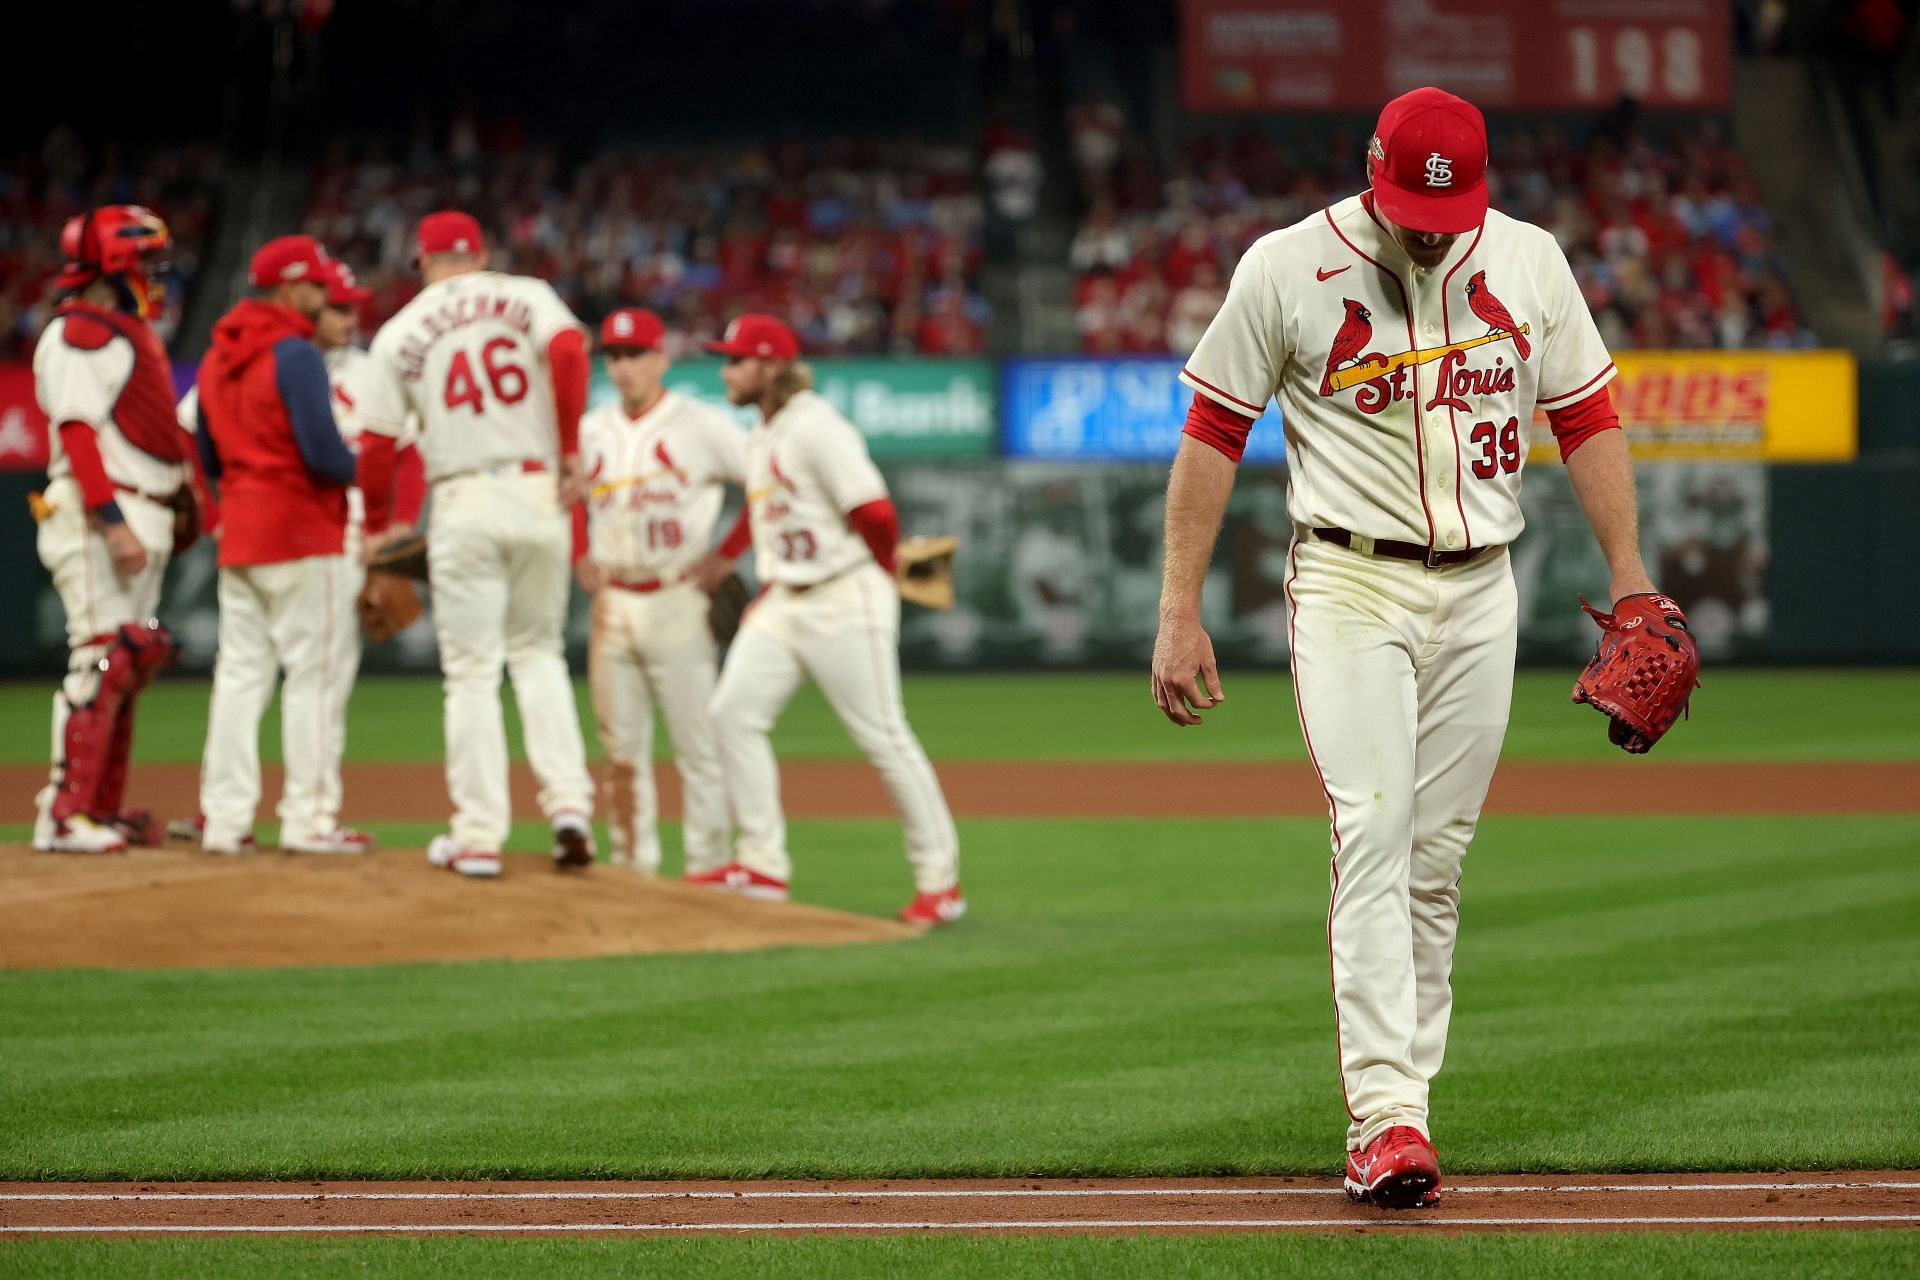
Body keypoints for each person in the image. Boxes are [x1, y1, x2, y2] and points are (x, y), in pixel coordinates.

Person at [1151, 88, 1680, 1207]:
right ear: (1371, 170)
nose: (1432, 229)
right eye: (1411, 207)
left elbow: (1585, 415)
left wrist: (1630, 573)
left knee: (1436, 862)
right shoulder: (1287, 267)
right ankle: (1380, 1118)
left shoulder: (1530, 260)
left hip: (1483, 587)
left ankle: (1410, 1114)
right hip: (1348, 578)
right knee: (1376, 823)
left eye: (1451, 210)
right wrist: (1177, 608)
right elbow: (1211, 431)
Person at [688, 314, 964, 926]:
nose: (725, 370)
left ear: (771, 366)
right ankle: (762, 866)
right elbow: (772, 518)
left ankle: (940, 882)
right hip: (787, 598)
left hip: (845, 594)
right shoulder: (763, 433)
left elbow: (872, 509)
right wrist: (755, 573)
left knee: (884, 738)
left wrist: (890, 568)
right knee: (732, 714)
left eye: (736, 359)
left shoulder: (816, 426)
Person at [354, 211, 597, 879]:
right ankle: (571, 810)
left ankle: (480, 835)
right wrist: (571, 449)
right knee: (540, 654)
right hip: (538, 489)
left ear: (423, 262)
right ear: (483, 254)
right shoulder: (527, 294)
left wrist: (378, 524)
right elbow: (571, 352)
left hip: (464, 497)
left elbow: (377, 443)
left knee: (471, 674)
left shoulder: (401, 331)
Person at [193, 235, 369, 856]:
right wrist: (370, 471)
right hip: (301, 530)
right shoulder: (295, 354)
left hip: (241, 533)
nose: (325, 296)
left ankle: (223, 819)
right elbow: (323, 456)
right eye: (319, 286)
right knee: (314, 681)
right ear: (292, 288)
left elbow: (207, 455)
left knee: (240, 678)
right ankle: (310, 819)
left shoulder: (217, 356)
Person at [30, 205, 195, 854]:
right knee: (99, 657)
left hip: (135, 510)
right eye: (147, 263)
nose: (157, 276)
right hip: (102, 514)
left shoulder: (116, 331)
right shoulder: (79, 333)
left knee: (127, 661)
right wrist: (112, 520)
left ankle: (98, 806)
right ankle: (64, 813)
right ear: (118, 266)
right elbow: (76, 430)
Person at [575, 308, 746, 877]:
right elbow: (572, 494)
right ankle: (631, 866)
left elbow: (767, 478)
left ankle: (709, 865)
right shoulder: (592, 428)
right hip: (613, 602)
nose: (623, 367)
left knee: (698, 746)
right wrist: (579, 549)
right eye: (614, 356)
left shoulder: (699, 424)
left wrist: (729, 552)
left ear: (662, 358)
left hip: (676, 597)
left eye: (635, 355)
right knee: (620, 751)